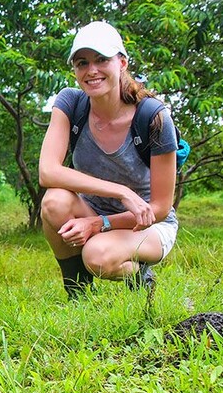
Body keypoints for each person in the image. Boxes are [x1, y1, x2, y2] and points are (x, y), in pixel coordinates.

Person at [38, 21, 179, 300]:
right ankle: (78, 295)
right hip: (93, 209)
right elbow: (47, 171)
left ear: (122, 62)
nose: (91, 71)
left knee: (97, 255)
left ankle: (140, 278)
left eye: (101, 59)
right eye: (82, 63)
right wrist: (121, 192)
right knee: (53, 202)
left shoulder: (153, 117)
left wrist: (100, 224)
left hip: (147, 225)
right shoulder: (71, 104)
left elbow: (160, 208)